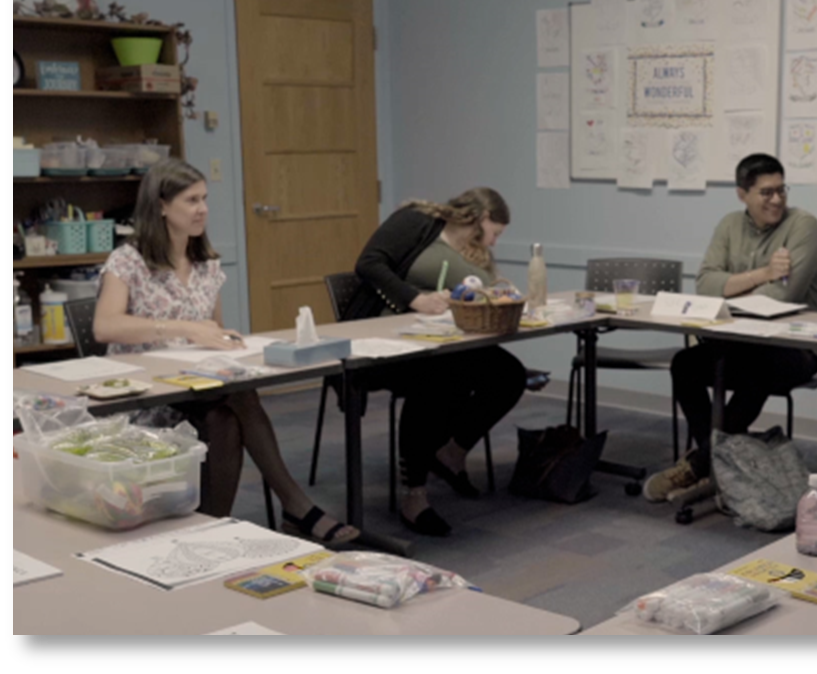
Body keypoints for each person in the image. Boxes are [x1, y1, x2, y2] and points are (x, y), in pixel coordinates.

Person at [95, 160, 359, 546]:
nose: (202, 208)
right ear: (162, 206)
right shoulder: (129, 261)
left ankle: (212, 529)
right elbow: (105, 326)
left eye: (204, 199)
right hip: (147, 398)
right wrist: (184, 329)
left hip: (198, 388)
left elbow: (213, 332)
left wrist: (225, 341)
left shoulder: (206, 264)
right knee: (234, 404)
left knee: (228, 412)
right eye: (191, 200)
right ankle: (293, 507)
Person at [645, 154, 817, 502]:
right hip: (736, 343)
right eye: (766, 193)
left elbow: (782, 295)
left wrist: (734, 287)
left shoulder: (803, 225)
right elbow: (705, 283)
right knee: (686, 364)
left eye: (781, 190)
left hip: (792, 349)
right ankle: (718, 465)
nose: (777, 200)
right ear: (742, 194)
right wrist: (763, 274)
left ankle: (701, 464)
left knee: (756, 366)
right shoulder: (729, 225)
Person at [349, 188, 527, 537]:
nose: (494, 242)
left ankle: (451, 453)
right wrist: (416, 299)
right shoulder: (417, 221)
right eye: (496, 232)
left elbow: (487, 289)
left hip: (446, 339)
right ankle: (413, 495)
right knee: (441, 380)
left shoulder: (475, 251)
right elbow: (368, 264)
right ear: (482, 217)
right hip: (389, 339)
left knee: (508, 374)